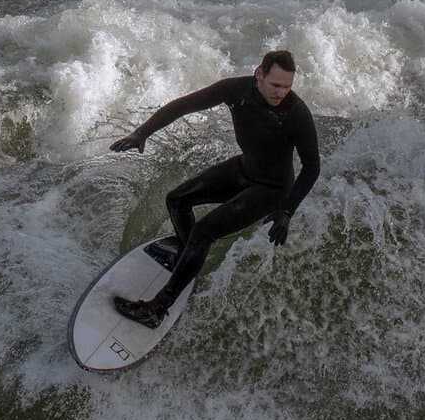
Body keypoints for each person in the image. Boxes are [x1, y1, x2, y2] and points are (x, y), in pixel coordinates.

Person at [107, 48, 320, 330]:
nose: (281, 93)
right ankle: (186, 257)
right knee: (177, 200)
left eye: (287, 86)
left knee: (204, 231)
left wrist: (287, 211)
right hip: (245, 170)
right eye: (275, 85)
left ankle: (157, 310)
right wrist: (141, 132)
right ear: (259, 75)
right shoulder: (237, 91)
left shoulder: (296, 114)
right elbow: (184, 105)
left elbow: (312, 167)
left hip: (272, 189)